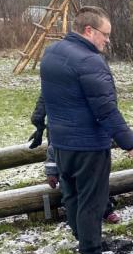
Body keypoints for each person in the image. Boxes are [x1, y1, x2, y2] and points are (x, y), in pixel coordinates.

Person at [40, 6, 133, 254]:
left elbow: (45, 97)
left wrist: (39, 122)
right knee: (92, 201)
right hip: (88, 145)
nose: (107, 41)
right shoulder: (89, 61)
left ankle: (87, 244)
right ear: (89, 31)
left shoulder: (52, 53)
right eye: (105, 34)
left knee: (74, 198)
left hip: (62, 145)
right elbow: (106, 111)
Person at [29, 95, 121, 224]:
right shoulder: (54, 78)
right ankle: (75, 215)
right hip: (60, 128)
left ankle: (105, 210)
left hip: (86, 127)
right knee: (67, 176)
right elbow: (44, 96)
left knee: (94, 175)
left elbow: (103, 99)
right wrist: (38, 125)